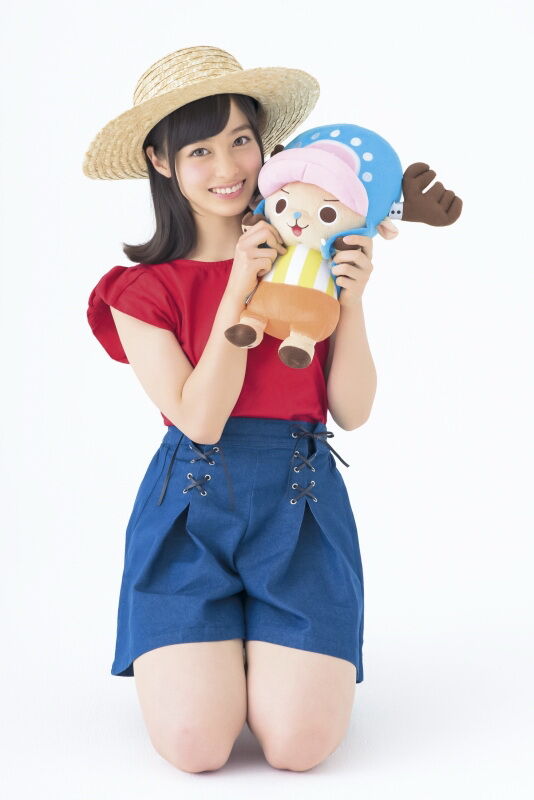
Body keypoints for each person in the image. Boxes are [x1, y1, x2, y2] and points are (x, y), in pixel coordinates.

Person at [84, 45, 376, 774]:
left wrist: (352, 302)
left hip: (302, 510)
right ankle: (221, 641)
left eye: (241, 140)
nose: (228, 167)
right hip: (191, 514)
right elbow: (201, 421)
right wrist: (239, 288)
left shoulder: (310, 263)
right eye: (199, 150)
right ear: (160, 161)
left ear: (264, 145)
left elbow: (353, 410)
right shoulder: (139, 292)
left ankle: (259, 647)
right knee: (196, 747)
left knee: (299, 748)